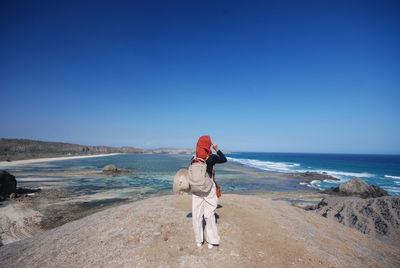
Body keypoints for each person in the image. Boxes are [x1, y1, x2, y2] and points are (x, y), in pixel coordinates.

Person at [191, 135, 227, 249]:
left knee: (196, 215)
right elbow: (224, 159)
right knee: (209, 214)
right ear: (208, 145)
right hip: (208, 188)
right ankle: (211, 241)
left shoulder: (193, 158)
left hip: (196, 189)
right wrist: (216, 149)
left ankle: (199, 240)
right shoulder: (211, 158)